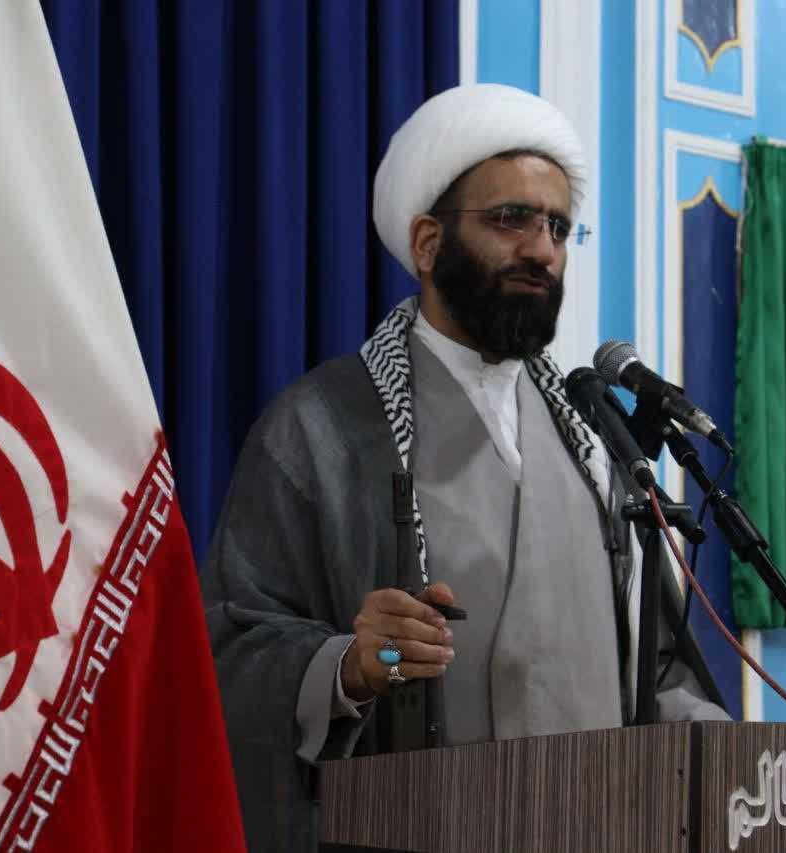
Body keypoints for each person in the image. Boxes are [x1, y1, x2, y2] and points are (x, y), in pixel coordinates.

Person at [200, 83, 728, 852]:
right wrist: (352, 664)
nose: (542, 249)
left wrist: (730, 761)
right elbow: (233, 652)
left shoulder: (593, 441)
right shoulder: (320, 429)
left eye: (557, 227)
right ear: (427, 242)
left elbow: (659, 670)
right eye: (511, 218)